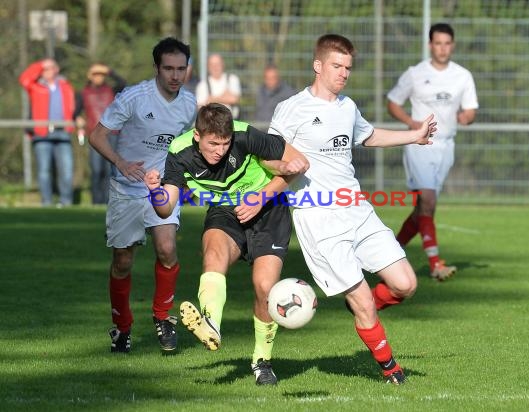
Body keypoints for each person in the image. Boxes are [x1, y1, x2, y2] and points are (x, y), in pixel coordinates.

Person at [267, 34, 435, 385]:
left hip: (357, 210)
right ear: (318, 65)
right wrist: (283, 171)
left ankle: (365, 307)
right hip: (318, 219)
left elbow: (369, 136)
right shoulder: (292, 109)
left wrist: (414, 135)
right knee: (363, 303)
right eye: (336, 66)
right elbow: (269, 154)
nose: (343, 73)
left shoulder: (347, 107)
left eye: (348, 68)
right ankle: (391, 370)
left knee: (406, 284)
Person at [143, 103, 309, 385]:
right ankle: (211, 324)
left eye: (225, 143)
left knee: (265, 287)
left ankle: (262, 361)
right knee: (213, 255)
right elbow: (165, 207)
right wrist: (155, 192)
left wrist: (261, 197)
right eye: (213, 144)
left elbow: (300, 163)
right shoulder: (179, 152)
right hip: (224, 211)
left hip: (268, 208)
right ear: (197, 136)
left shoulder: (245, 135)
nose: (219, 150)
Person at [88, 37, 197, 354]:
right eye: (168, 69)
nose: (175, 76)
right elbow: (97, 136)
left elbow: (192, 145)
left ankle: (163, 318)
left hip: (162, 188)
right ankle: (122, 327)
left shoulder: (190, 105)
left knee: (167, 248)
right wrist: (121, 162)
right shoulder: (134, 98)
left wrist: (185, 178)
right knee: (123, 261)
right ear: (156, 68)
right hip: (126, 189)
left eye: (181, 69)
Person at [387, 23, 479, 281]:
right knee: (427, 201)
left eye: (447, 43)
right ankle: (436, 265)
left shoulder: (463, 75)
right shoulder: (415, 74)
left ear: (453, 45)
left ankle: (389, 255)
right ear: (430, 45)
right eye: (437, 43)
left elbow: (471, 110)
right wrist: (410, 123)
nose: (442, 48)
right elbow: (393, 102)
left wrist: (467, 116)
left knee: (423, 210)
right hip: (420, 144)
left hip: (446, 146)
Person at [19, 58, 76, 207]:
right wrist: (40, 65)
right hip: (42, 133)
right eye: (45, 69)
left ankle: (66, 202)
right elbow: (24, 78)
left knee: (67, 170)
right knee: (44, 170)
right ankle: (46, 202)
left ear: (56, 69)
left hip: (63, 131)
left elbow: (72, 106)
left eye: (50, 67)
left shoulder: (65, 85)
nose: (47, 71)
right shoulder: (36, 87)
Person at [75, 63, 127, 204]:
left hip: (112, 133)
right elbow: (75, 111)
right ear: (90, 76)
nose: (98, 77)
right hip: (95, 134)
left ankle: (108, 201)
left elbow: (123, 83)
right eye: (95, 74)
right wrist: (78, 117)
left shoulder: (112, 90)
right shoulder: (83, 93)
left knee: (109, 170)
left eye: (101, 75)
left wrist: (109, 71)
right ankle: (96, 201)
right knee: (96, 170)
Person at [195, 53, 241, 118]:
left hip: (232, 123)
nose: (215, 67)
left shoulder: (232, 79)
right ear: (208, 67)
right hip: (211, 124)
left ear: (223, 64)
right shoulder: (202, 85)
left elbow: (234, 99)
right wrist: (224, 97)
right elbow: (200, 108)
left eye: (217, 64)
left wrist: (212, 100)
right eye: (212, 65)